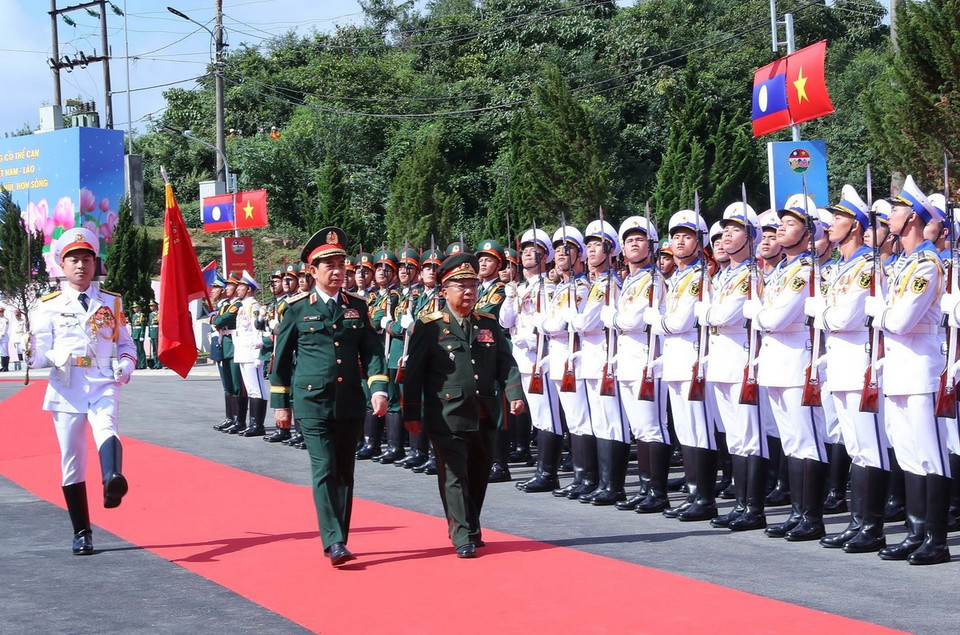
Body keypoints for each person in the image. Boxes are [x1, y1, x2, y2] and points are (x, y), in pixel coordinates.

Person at [269, 226, 389, 567]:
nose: (338, 272)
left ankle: (340, 538)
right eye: (330, 266)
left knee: (344, 471)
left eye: (342, 265)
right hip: (312, 401)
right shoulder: (295, 309)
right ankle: (334, 541)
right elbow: (281, 360)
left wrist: (378, 388)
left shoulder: (357, 306)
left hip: (349, 399)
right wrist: (281, 405)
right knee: (323, 467)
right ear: (313, 271)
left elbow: (373, 353)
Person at [402, 253, 525, 558]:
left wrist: (514, 393)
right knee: (455, 473)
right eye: (461, 286)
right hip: (446, 414)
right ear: (444, 291)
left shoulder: (487, 323)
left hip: (484, 409)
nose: (469, 291)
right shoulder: (429, 327)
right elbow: (414, 373)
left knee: (479, 470)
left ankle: (471, 523)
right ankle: (462, 535)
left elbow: (505, 362)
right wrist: (411, 413)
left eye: (472, 285)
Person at [24, 228, 137, 554]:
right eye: (74, 259)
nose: (81, 265)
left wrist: (126, 366)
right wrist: (30, 346)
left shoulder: (111, 302)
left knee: (107, 427)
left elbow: (125, 344)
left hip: (103, 380)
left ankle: (112, 479)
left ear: (94, 263)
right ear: (62, 264)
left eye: (86, 259)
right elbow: (38, 355)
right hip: (66, 386)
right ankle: (82, 531)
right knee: (72, 458)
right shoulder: (47, 305)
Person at [867, 176, 950, 565]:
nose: (890, 217)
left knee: (931, 456)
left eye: (896, 210)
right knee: (909, 455)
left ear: (913, 218)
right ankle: (917, 532)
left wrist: (877, 313)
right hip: (900, 369)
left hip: (920, 370)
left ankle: (936, 538)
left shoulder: (927, 264)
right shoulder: (902, 263)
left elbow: (900, 321)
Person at [234, 270, 269, 437]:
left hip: (251, 351)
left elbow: (257, 329)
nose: (237, 289)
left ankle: (258, 424)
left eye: (240, 286)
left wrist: (257, 353)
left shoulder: (253, 306)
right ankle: (252, 422)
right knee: (250, 388)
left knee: (257, 388)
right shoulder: (243, 307)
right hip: (243, 351)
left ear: (248, 289)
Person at [130, 303, 148, 370]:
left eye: (136, 307)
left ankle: (142, 364)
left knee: (140, 350)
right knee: (136, 350)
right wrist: (132, 335)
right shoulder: (134, 316)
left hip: (139, 333)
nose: (134, 309)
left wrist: (142, 335)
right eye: (134, 308)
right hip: (135, 334)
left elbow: (143, 326)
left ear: (139, 308)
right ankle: (137, 364)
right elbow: (133, 326)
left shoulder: (141, 316)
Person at [147, 300, 162, 370]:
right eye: (150, 306)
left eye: (152, 306)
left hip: (157, 332)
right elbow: (150, 324)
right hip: (152, 333)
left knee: (157, 348)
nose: (151, 307)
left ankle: (159, 363)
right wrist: (149, 335)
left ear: (156, 306)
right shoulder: (150, 315)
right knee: (154, 350)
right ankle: (156, 363)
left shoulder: (159, 314)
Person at [0, 306, 9, 371]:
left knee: (5, 352)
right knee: (2, 352)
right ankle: (3, 366)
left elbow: (5, 330)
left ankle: (6, 367)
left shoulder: (5, 320)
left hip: (4, 338)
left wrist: (1, 337)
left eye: (1, 312)